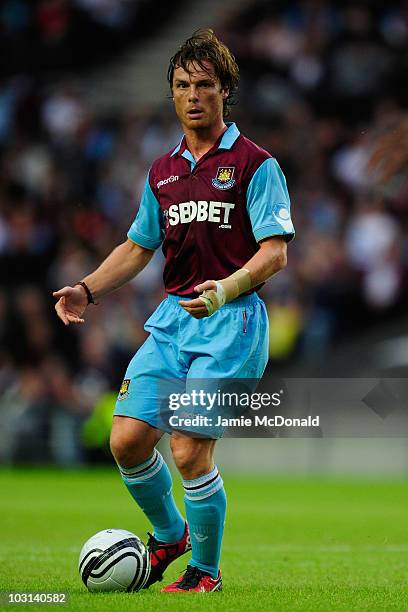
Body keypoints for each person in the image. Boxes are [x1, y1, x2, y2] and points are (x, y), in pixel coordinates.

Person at [53, 29, 295, 593]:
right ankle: (170, 535)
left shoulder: (256, 164)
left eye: (205, 85)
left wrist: (225, 289)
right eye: (183, 85)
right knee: (127, 441)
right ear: (171, 93)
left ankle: (203, 573)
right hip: (171, 324)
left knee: (187, 448)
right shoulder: (162, 171)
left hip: (231, 325)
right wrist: (85, 290)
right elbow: (138, 247)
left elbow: (276, 252)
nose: (193, 95)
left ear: (225, 91)